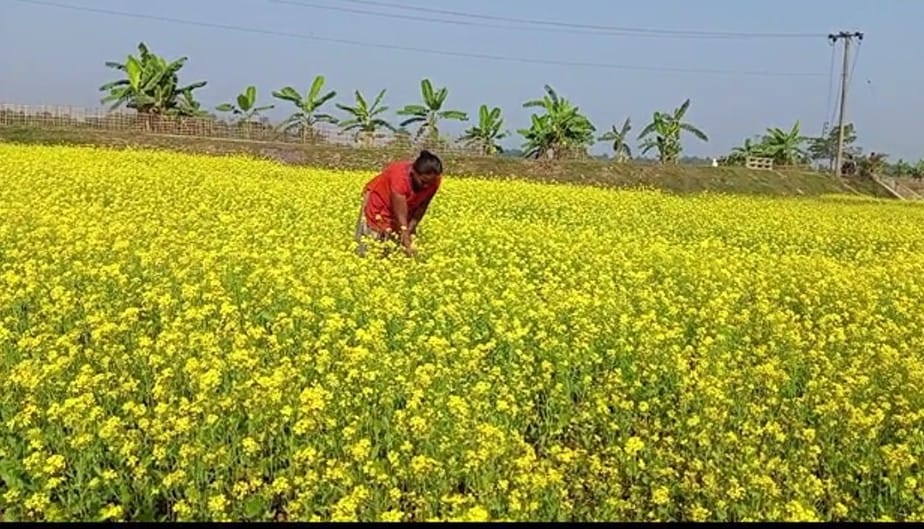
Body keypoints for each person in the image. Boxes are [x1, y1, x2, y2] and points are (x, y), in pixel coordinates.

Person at [354, 150, 443, 257]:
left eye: (430, 183)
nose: (426, 186)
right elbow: (400, 215)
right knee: (372, 243)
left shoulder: (434, 181)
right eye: (423, 182)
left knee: (394, 248)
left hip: (406, 207)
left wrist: (411, 229)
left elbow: (422, 206)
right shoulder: (400, 177)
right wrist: (405, 236)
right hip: (379, 203)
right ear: (413, 173)